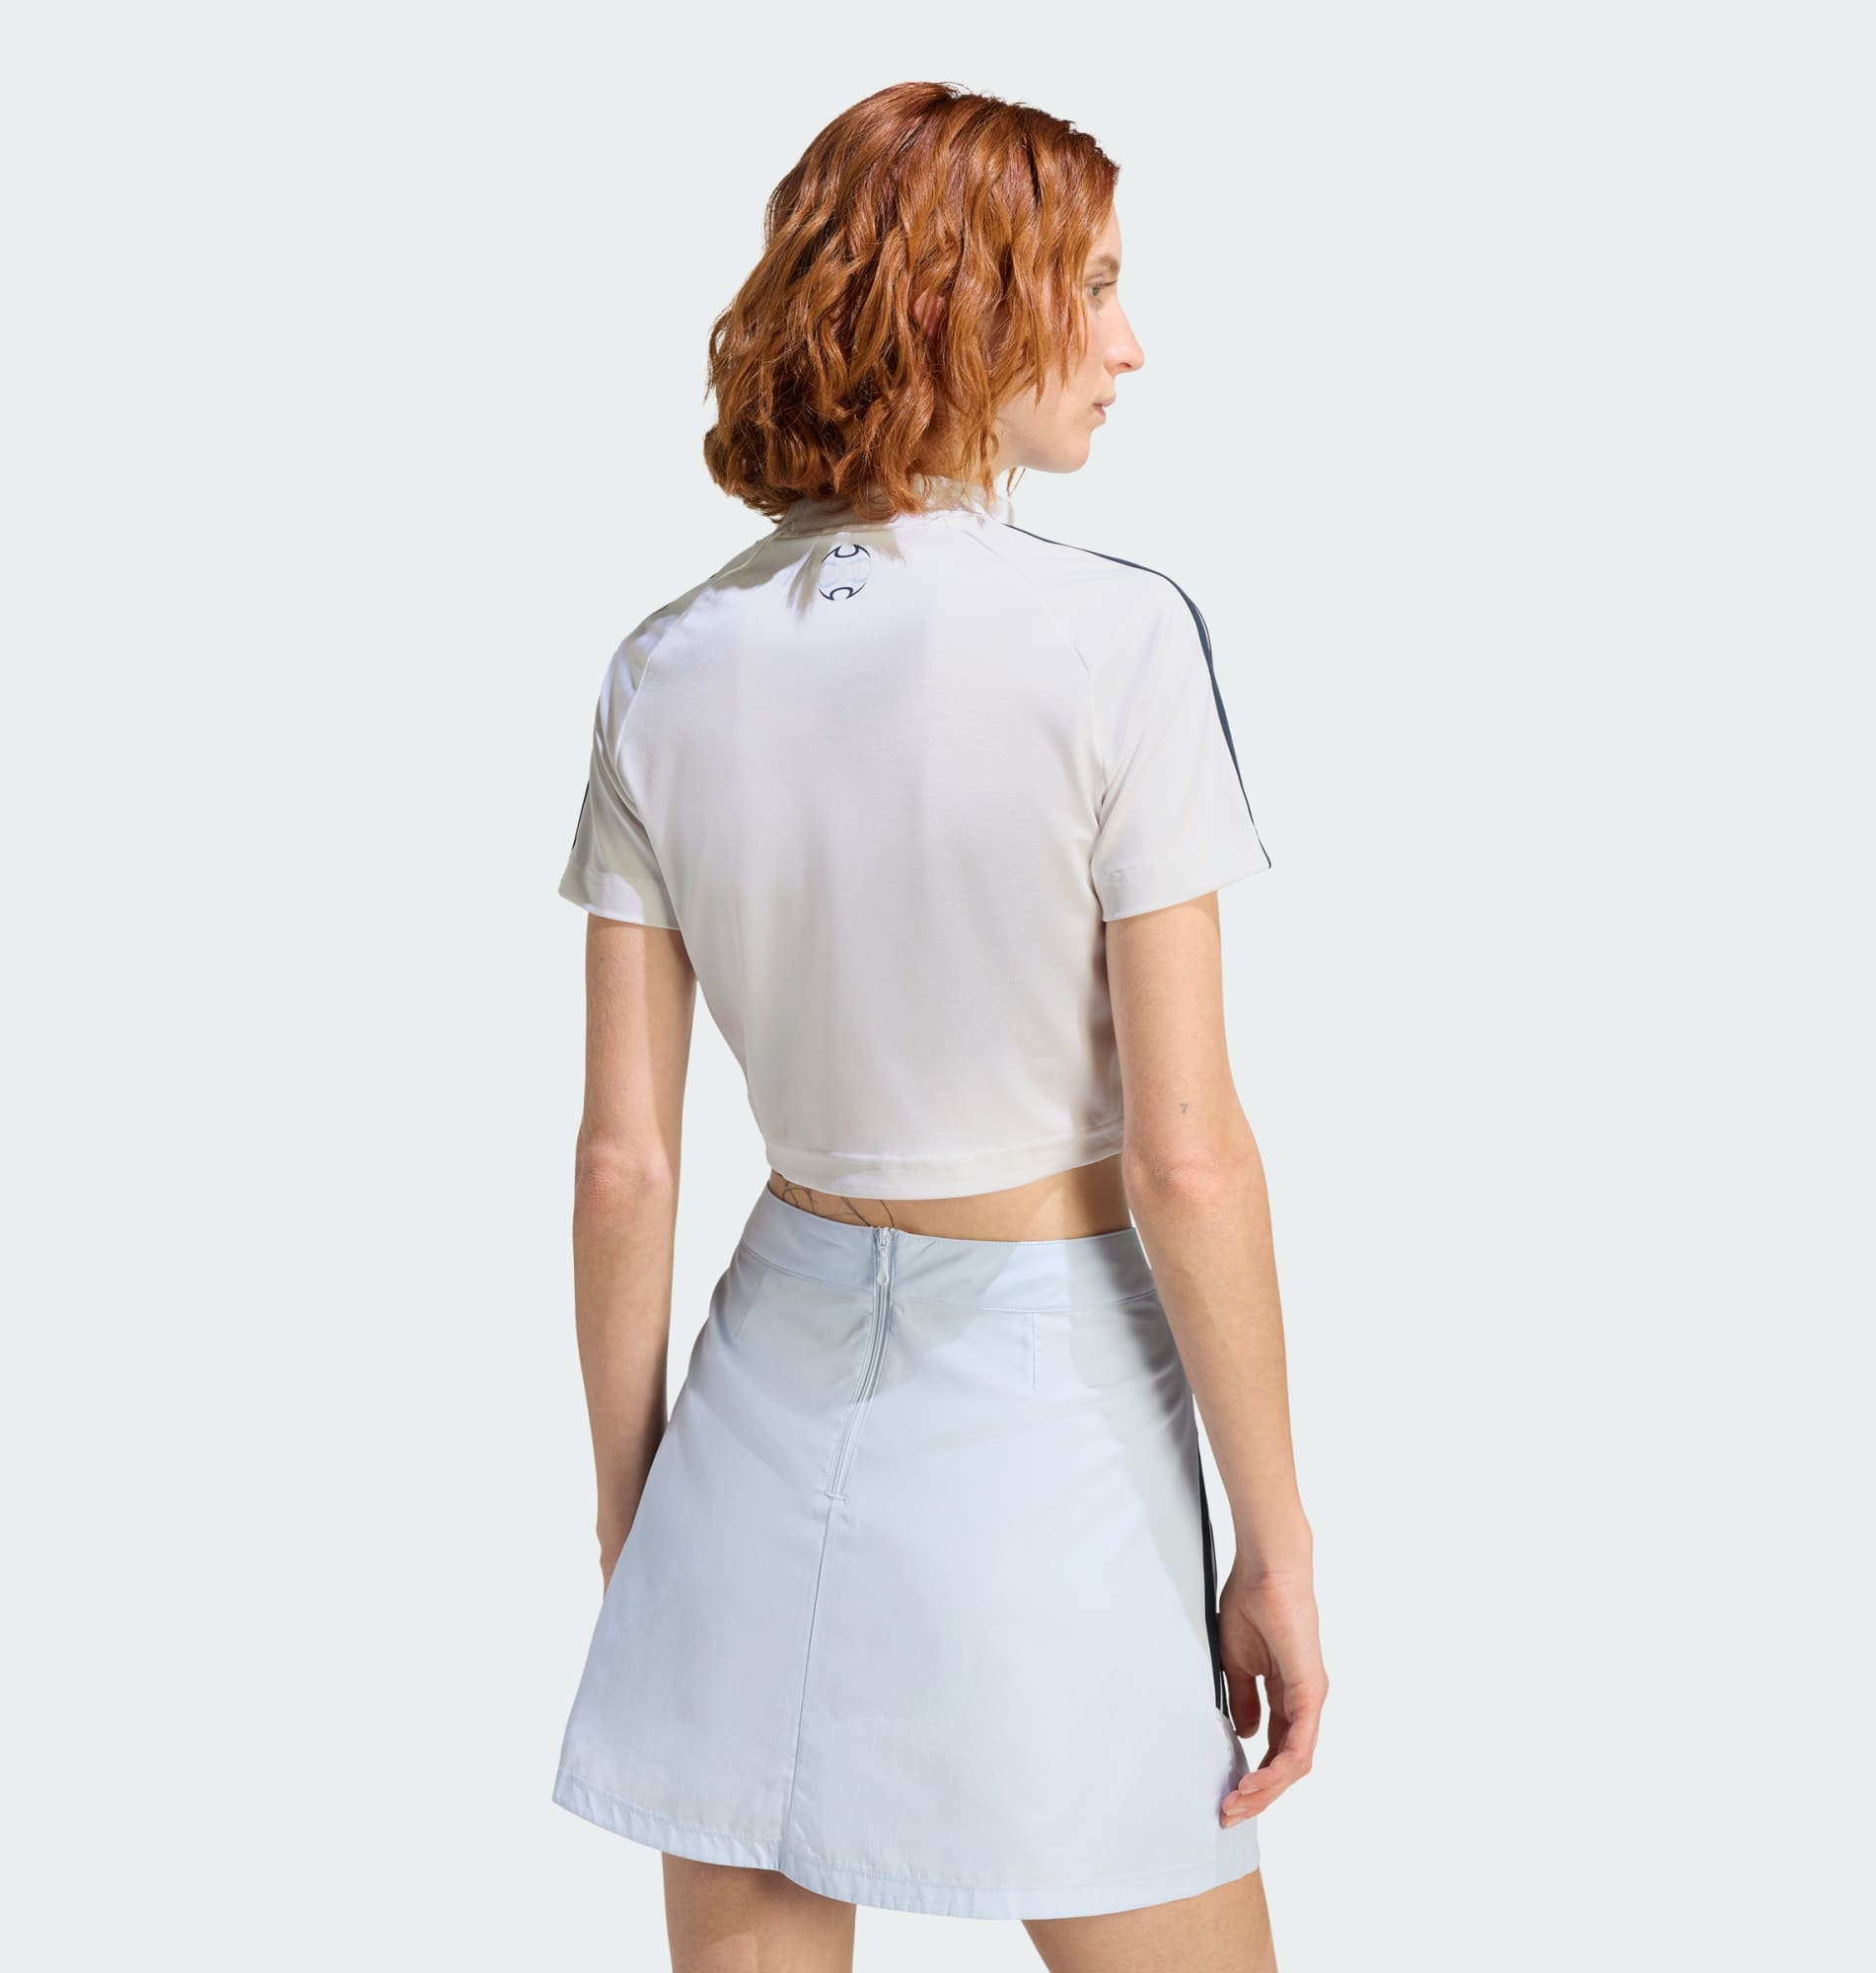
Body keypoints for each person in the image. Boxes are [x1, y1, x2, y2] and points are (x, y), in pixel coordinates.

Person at [547, 80, 1326, 1973]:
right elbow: (1188, 1155)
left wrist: (636, 1506)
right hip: (1050, 1404)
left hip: (758, 1389)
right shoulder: (1118, 645)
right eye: (1097, 287)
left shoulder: (663, 665)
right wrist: (1278, 1545)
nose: (1130, 347)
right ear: (959, 303)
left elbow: (625, 1162)